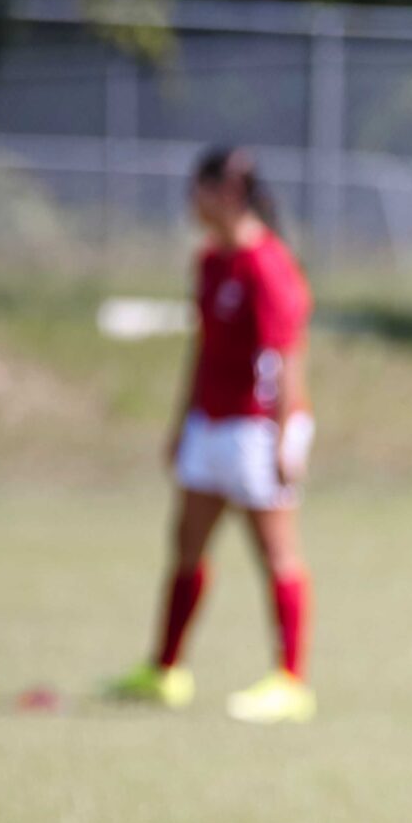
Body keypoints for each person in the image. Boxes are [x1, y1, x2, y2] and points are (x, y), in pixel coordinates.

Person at [106, 146, 318, 725]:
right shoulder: (210, 262)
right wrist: (182, 422)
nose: (190, 202)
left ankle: (290, 681)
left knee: (276, 554)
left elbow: (285, 355)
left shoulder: (267, 266)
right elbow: (202, 347)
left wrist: (282, 437)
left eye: (197, 189)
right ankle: (166, 669)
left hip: (258, 427)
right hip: (211, 424)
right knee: (187, 545)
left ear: (225, 193)